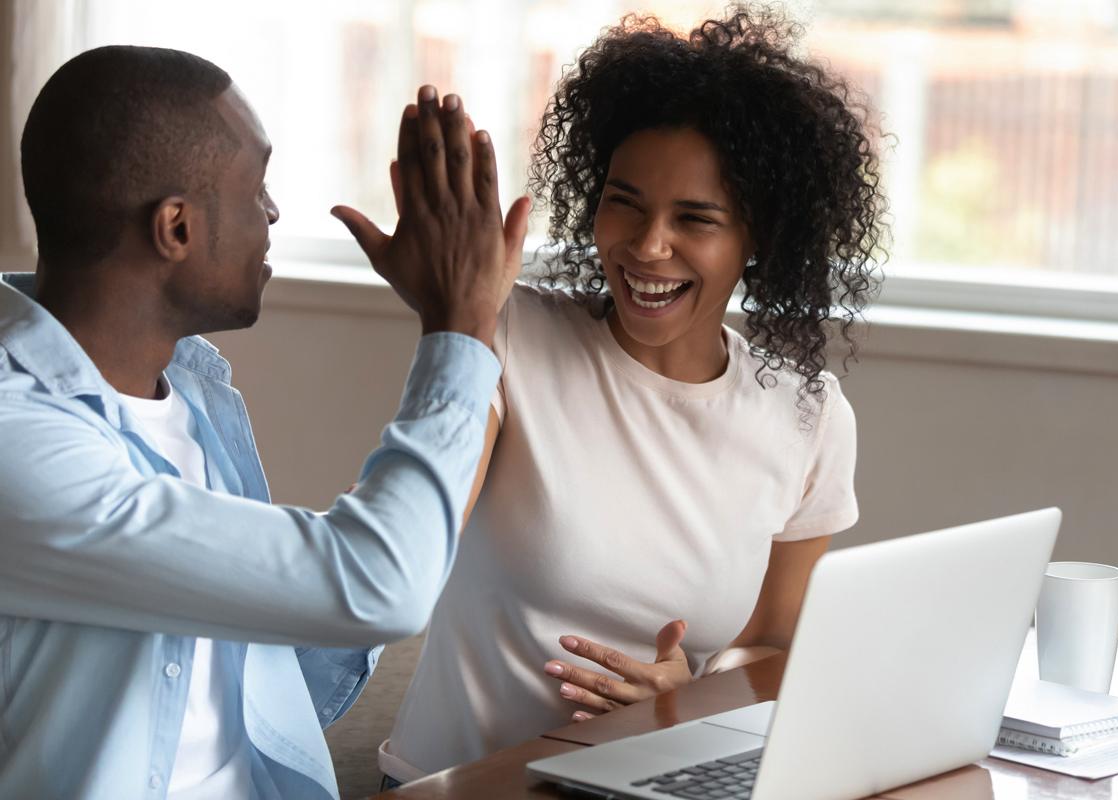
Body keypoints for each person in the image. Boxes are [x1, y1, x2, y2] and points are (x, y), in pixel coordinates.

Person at [0, 45, 529, 798]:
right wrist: (457, 330)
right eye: (257, 188)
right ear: (175, 228)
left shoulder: (194, 397)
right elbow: (376, 586)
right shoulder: (17, 442)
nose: (274, 213)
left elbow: (281, 674)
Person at [380, 6, 887, 781]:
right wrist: (454, 318)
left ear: (760, 239)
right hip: (463, 787)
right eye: (625, 202)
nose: (648, 246)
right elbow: (412, 539)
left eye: (696, 218)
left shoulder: (807, 416)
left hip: (651, 780)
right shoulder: (509, 338)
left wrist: (690, 694)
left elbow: (776, 644)